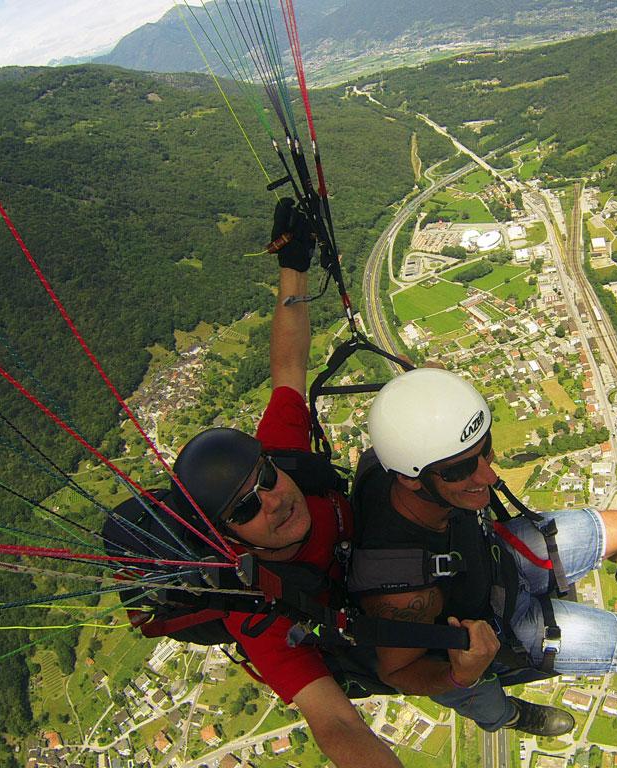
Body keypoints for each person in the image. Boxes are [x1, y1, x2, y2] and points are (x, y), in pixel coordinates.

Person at [348, 367, 617, 736]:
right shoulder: (400, 587)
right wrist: (460, 674)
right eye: (460, 470)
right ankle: (513, 715)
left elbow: (425, 402)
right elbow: (397, 672)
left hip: (498, 557)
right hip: (502, 626)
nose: (489, 476)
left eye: (485, 450)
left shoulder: (401, 453)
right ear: (409, 479)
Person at [159, 199, 403, 768]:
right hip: (363, 623)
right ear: (227, 537)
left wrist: (293, 267)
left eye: (265, 478)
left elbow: (289, 365)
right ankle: (496, 708)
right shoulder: (255, 612)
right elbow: (335, 722)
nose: (273, 499)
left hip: (380, 549)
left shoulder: (284, 456)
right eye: (245, 508)